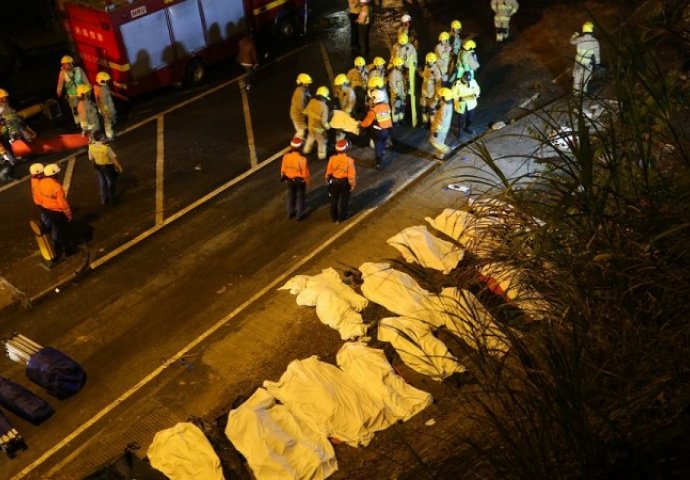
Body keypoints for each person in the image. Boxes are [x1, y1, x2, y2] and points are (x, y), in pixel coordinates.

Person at [35, 163, 73, 258]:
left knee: (54, 228)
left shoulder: (40, 183)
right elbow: (62, 203)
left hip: (45, 209)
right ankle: (68, 251)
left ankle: (56, 245)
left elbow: (38, 196)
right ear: (53, 174)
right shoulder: (56, 186)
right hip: (56, 212)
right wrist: (68, 214)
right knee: (63, 231)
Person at [360, 89, 393, 169]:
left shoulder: (373, 111)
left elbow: (367, 122)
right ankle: (383, 150)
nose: (370, 100)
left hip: (379, 132)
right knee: (383, 141)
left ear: (375, 99)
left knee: (378, 144)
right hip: (388, 131)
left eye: (372, 98)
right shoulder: (387, 106)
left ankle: (378, 163)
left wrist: (361, 125)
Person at [88, 132, 123, 206]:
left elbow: (91, 158)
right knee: (111, 182)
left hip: (98, 166)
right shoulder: (106, 148)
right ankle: (112, 200)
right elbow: (113, 159)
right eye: (103, 136)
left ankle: (104, 200)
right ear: (101, 138)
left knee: (102, 182)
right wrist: (119, 166)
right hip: (107, 167)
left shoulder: (91, 147)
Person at [280, 137, 312, 221]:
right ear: (300, 148)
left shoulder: (286, 156)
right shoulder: (302, 159)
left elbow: (283, 169)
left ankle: (290, 212)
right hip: (299, 180)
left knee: (291, 195)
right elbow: (305, 173)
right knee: (301, 196)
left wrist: (284, 177)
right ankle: (300, 215)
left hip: (289, 179)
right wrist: (308, 182)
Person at [325, 139, 356, 223]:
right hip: (344, 183)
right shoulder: (349, 160)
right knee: (344, 201)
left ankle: (334, 217)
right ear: (345, 149)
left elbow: (328, 172)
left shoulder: (332, 159)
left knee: (334, 200)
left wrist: (328, 181)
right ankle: (341, 217)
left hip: (334, 182)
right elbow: (351, 175)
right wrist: (352, 185)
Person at [56, 55, 90, 128]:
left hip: (82, 93)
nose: (65, 66)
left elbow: (85, 80)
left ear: (71, 63)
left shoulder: (78, 70)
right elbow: (60, 83)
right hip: (72, 95)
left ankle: (86, 120)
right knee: (75, 110)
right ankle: (78, 123)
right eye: (63, 64)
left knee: (85, 107)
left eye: (67, 64)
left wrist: (88, 89)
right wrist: (59, 91)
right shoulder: (62, 73)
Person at [570, 21, 601, 95]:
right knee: (585, 79)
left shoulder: (580, 39)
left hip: (578, 62)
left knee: (577, 78)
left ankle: (575, 93)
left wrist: (575, 35)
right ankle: (583, 93)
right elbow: (597, 54)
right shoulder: (595, 41)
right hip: (588, 63)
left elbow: (572, 42)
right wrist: (597, 63)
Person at [303, 86, 331, 160]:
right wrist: (328, 128)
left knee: (310, 138)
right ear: (324, 97)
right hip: (319, 131)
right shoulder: (324, 107)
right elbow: (324, 122)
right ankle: (321, 156)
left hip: (310, 127)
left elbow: (305, 112)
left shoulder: (312, 101)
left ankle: (306, 150)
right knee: (322, 142)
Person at [452, 71, 480, 135]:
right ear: (462, 77)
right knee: (461, 119)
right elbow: (453, 94)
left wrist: (475, 95)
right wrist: (460, 99)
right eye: (465, 80)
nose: (467, 82)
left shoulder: (473, 81)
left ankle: (468, 128)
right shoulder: (456, 84)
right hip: (461, 104)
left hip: (471, 104)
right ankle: (460, 131)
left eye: (468, 80)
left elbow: (477, 89)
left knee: (470, 118)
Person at [430, 88, 455, 159]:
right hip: (444, 128)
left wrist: (436, 131)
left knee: (434, 142)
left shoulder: (444, 108)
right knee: (441, 142)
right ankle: (440, 156)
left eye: (440, 96)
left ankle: (448, 150)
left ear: (444, 97)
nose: (439, 96)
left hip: (440, 129)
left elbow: (441, 120)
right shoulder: (448, 104)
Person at [420, 52, 443, 127]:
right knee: (423, 109)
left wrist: (436, 96)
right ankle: (424, 121)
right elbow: (424, 75)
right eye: (428, 61)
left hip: (432, 93)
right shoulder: (426, 67)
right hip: (424, 91)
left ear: (434, 61)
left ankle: (432, 123)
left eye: (431, 61)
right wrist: (418, 71)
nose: (430, 62)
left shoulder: (436, 70)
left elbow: (438, 83)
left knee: (431, 110)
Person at [94, 72, 117, 141]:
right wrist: (107, 112)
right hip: (107, 109)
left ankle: (110, 135)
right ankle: (110, 136)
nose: (107, 81)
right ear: (101, 80)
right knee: (108, 123)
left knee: (109, 122)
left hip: (107, 108)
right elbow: (103, 103)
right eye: (105, 80)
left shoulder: (102, 87)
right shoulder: (101, 90)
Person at [334, 74, 356, 141]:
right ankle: (340, 142)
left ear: (344, 83)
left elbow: (351, 103)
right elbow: (338, 100)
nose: (338, 86)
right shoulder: (339, 90)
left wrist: (346, 112)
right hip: (342, 111)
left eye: (339, 85)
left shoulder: (350, 91)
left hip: (349, 112)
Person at [290, 73, 312, 140]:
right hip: (297, 116)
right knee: (300, 132)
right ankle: (296, 144)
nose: (308, 85)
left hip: (299, 115)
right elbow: (301, 107)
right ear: (302, 83)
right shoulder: (300, 92)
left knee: (303, 129)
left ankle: (300, 140)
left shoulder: (303, 90)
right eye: (306, 83)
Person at [388, 57, 406, 124]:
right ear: (395, 65)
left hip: (401, 91)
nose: (400, 66)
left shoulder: (401, 72)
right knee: (396, 107)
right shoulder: (393, 73)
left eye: (401, 65)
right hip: (396, 93)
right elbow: (392, 84)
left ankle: (401, 119)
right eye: (399, 65)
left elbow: (403, 82)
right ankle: (395, 121)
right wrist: (396, 93)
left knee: (402, 106)